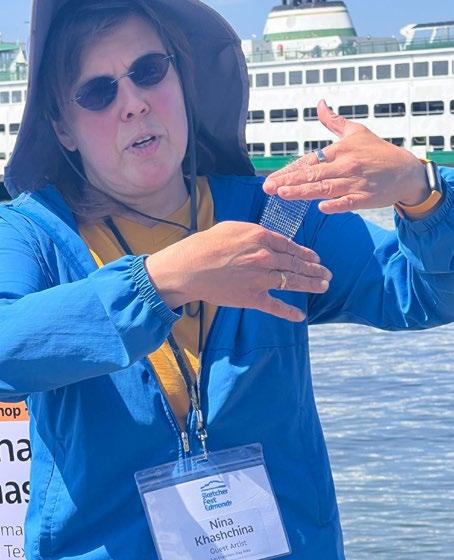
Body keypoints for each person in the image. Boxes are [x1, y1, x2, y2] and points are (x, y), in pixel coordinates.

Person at [0, 0, 453, 558]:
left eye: (149, 71)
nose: (133, 103)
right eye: (98, 92)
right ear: (62, 129)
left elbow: (423, 294)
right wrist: (163, 280)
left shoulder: (278, 213)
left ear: (182, 80)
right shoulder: (31, 234)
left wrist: (422, 189)